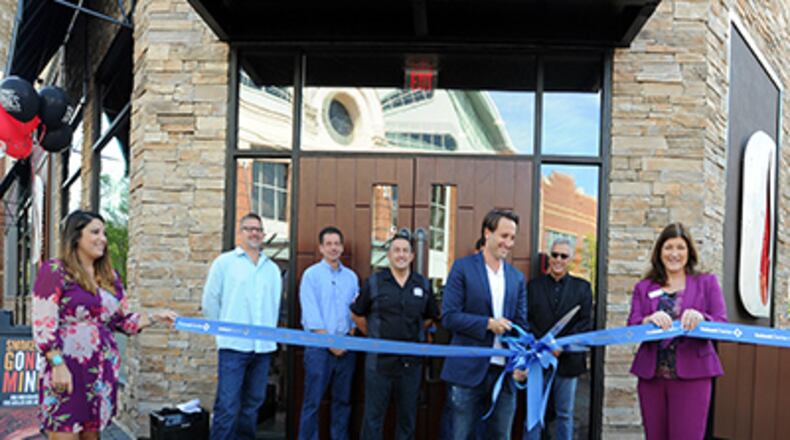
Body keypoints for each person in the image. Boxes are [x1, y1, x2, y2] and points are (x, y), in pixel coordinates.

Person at [31, 210, 176, 439]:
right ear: (76, 236)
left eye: (104, 233)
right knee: (64, 432)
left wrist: (155, 317)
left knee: (92, 435)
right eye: (95, 232)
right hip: (66, 368)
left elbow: (123, 321)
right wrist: (57, 365)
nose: (103, 239)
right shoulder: (55, 271)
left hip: (100, 372)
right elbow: (43, 324)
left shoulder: (110, 277)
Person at [627, 223, 727, 440]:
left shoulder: (706, 283)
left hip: (693, 377)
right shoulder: (644, 287)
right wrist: (646, 320)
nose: (674, 254)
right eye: (668, 247)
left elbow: (721, 323)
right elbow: (632, 327)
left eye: (680, 247)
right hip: (652, 379)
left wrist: (703, 319)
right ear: (659, 252)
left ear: (689, 251)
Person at [441, 209, 528, 440]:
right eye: (504, 236)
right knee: (461, 435)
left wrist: (522, 361)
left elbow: (521, 325)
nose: (509, 243)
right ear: (487, 233)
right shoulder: (462, 268)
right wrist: (487, 324)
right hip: (467, 371)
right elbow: (449, 316)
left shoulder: (517, 278)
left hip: (505, 374)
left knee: (501, 435)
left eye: (512, 238)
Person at [351, 232, 439, 440]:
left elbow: (430, 317)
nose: (401, 255)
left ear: (412, 256)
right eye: (396, 250)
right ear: (389, 255)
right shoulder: (374, 282)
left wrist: (413, 332)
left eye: (405, 251)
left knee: (407, 420)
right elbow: (357, 314)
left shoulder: (423, 285)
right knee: (373, 419)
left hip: (411, 365)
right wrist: (374, 336)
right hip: (379, 365)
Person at [202, 212, 282, 440]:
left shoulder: (272, 269)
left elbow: (274, 306)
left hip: (262, 349)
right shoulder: (224, 263)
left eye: (258, 229)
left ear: (263, 234)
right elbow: (210, 302)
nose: (254, 233)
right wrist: (222, 334)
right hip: (233, 347)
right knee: (227, 406)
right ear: (241, 232)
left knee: (252, 405)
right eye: (249, 228)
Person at [524, 238, 593, 440]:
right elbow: (526, 320)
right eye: (555, 255)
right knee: (534, 413)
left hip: (568, 361)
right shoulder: (533, 287)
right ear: (549, 257)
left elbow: (585, 323)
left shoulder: (583, 288)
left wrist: (561, 345)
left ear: (570, 259)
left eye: (564, 256)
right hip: (538, 360)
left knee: (564, 414)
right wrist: (544, 346)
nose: (558, 260)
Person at [298, 226, 359, 440]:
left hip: (346, 349)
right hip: (318, 349)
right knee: (312, 402)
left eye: (337, 244)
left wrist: (348, 338)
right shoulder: (311, 275)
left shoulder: (351, 277)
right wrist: (331, 343)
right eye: (329, 244)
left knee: (343, 402)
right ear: (321, 248)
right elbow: (311, 314)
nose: (333, 248)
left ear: (342, 247)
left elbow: (356, 312)